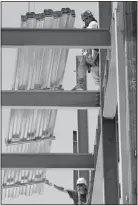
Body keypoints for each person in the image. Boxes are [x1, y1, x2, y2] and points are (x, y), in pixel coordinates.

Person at [72, 10, 100, 91]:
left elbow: (88, 31)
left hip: (94, 54)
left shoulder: (93, 24)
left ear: (89, 17)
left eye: (85, 20)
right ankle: (80, 84)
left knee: (94, 71)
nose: (84, 22)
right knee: (82, 66)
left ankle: (81, 84)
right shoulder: (88, 26)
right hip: (90, 55)